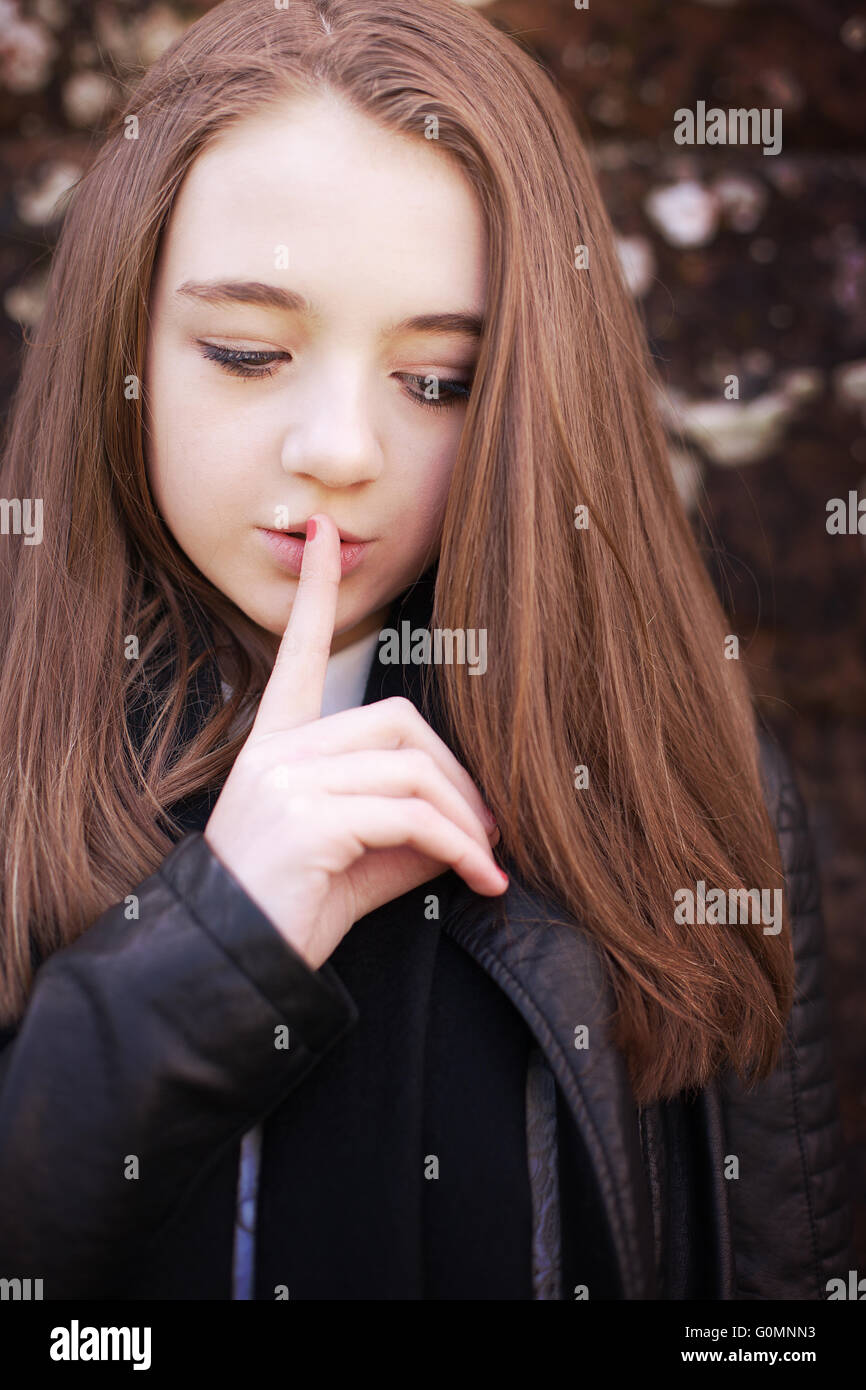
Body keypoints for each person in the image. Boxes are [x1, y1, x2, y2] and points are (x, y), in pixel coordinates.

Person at [0, 0, 853, 1300]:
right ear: (122, 338)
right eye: (247, 351)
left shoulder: (690, 772)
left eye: (439, 379)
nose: (339, 448)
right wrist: (207, 952)